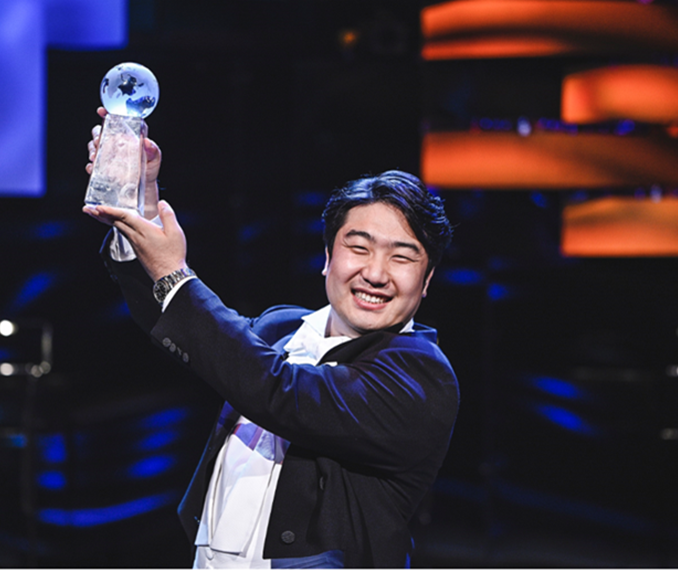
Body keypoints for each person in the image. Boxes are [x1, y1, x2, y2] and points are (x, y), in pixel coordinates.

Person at [83, 108, 459, 568]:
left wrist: (174, 273)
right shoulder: (282, 329)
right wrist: (136, 210)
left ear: (426, 280)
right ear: (327, 258)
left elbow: (277, 391)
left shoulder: (420, 374)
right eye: (358, 248)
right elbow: (192, 331)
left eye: (402, 258)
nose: (375, 273)